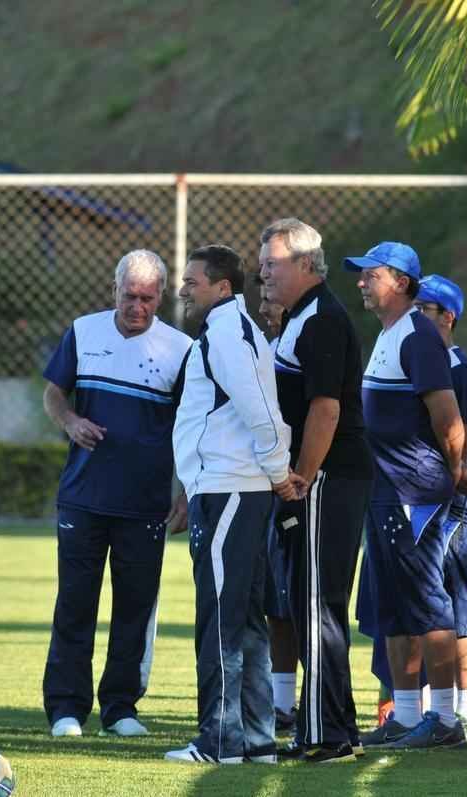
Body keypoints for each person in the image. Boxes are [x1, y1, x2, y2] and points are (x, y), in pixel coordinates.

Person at [41, 250, 192, 739]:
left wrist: (187, 490)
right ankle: (66, 708)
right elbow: (53, 393)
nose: (138, 307)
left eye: (148, 299)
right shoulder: (83, 332)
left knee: (135, 607)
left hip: (145, 504)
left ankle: (121, 708)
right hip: (82, 498)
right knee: (75, 603)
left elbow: (194, 427)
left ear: (161, 297)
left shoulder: (182, 349)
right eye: (130, 296)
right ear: (114, 291)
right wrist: (70, 421)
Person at [166, 244, 302, 764]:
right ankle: (256, 739)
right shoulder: (231, 330)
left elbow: (262, 413)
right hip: (229, 489)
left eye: (192, 281)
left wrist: (275, 473)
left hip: (229, 491)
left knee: (219, 617)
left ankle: (219, 741)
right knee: (244, 618)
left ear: (222, 288)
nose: (184, 289)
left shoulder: (226, 334)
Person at [346, 243, 467, 751]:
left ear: (398, 281)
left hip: (412, 493)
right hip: (385, 491)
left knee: (426, 602)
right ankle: (405, 715)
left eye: (368, 275)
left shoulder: (418, 336)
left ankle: (444, 720)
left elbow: (447, 414)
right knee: (396, 606)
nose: (359, 282)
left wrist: (455, 468)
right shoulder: (389, 333)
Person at [259, 218, 374, 763]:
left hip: (327, 477)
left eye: (273, 263)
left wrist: (299, 478)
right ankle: (336, 726)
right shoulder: (301, 317)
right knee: (312, 604)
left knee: (317, 604)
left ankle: (325, 733)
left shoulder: (322, 320)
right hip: (325, 477)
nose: (264, 271)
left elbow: (325, 408)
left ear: (306, 264)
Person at [413, 274, 467, 742]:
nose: (417, 317)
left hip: (453, 500)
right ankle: (428, 707)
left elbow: (465, 434)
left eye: (425, 310)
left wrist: (455, 484)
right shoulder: (425, 362)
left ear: (448, 316)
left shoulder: (458, 369)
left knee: (458, 602)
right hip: (424, 498)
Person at [251, 272, 298, 733]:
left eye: (272, 296)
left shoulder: (302, 344)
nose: (265, 305)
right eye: (261, 296)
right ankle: (282, 703)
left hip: (296, 486)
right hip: (264, 488)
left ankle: (313, 700)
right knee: (275, 600)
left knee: (302, 599)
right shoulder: (263, 347)